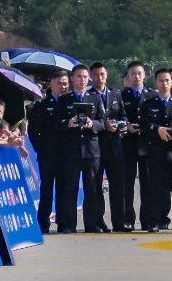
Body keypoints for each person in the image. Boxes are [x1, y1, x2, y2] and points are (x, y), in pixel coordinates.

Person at [56, 64, 107, 234]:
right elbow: (56, 122)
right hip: (71, 150)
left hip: (91, 150)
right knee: (70, 187)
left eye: (85, 77)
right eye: (79, 76)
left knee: (92, 187)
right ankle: (69, 224)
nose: (82, 80)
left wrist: (93, 124)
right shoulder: (64, 99)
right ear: (72, 78)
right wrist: (68, 123)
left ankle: (92, 224)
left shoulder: (95, 98)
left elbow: (102, 122)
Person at [139, 68, 172, 232]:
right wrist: (157, 129)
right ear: (155, 83)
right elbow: (143, 125)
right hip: (155, 152)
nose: (164, 84)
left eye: (167, 80)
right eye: (161, 81)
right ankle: (158, 221)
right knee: (157, 188)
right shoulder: (148, 104)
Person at [28, 69, 68, 233]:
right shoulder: (41, 105)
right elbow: (33, 131)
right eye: (59, 83)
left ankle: (64, 221)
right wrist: (41, 148)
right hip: (48, 154)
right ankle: (43, 221)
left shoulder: (71, 103)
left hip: (66, 154)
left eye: (65, 83)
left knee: (64, 188)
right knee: (46, 188)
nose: (62, 86)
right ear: (51, 84)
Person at [90, 62, 129, 232]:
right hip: (96, 147)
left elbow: (123, 115)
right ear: (92, 76)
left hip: (115, 147)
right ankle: (99, 221)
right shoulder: (88, 95)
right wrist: (103, 125)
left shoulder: (115, 93)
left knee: (118, 186)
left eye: (102, 74)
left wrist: (121, 124)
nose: (100, 78)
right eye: (96, 74)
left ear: (107, 76)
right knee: (96, 187)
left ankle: (119, 222)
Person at [120, 60, 150, 231]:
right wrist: (126, 125)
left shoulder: (151, 95)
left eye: (139, 73)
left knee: (147, 184)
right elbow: (116, 116)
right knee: (127, 185)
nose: (137, 77)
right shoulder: (120, 96)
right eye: (133, 74)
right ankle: (128, 219)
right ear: (128, 77)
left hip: (147, 145)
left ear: (144, 75)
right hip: (127, 145)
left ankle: (146, 219)